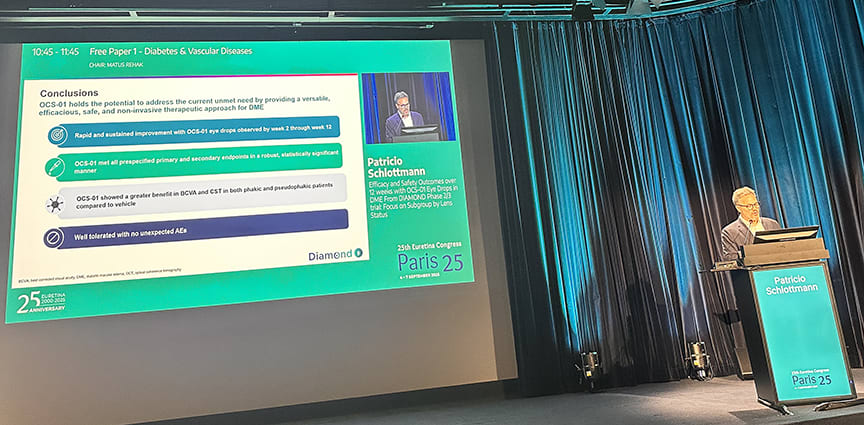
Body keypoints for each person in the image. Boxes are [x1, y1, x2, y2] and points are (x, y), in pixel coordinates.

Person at [720, 186, 781, 261]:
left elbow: (783, 247)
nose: (754, 209)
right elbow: (731, 257)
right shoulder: (730, 232)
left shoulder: (772, 224)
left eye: (755, 204)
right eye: (749, 206)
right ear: (738, 208)